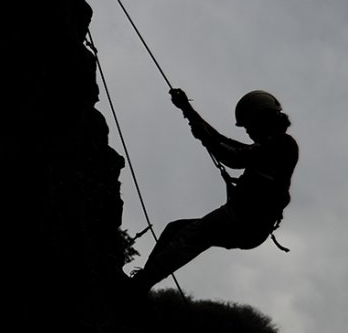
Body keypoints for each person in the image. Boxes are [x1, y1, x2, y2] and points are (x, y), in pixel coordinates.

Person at [127, 89, 299, 299]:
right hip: (247, 224)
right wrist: (187, 109)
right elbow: (223, 141)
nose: (247, 131)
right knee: (176, 230)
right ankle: (142, 283)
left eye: (248, 125)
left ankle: (138, 286)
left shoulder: (282, 145)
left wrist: (206, 138)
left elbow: (232, 157)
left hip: (243, 220)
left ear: (261, 119)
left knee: (190, 237)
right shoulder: (269, 147)